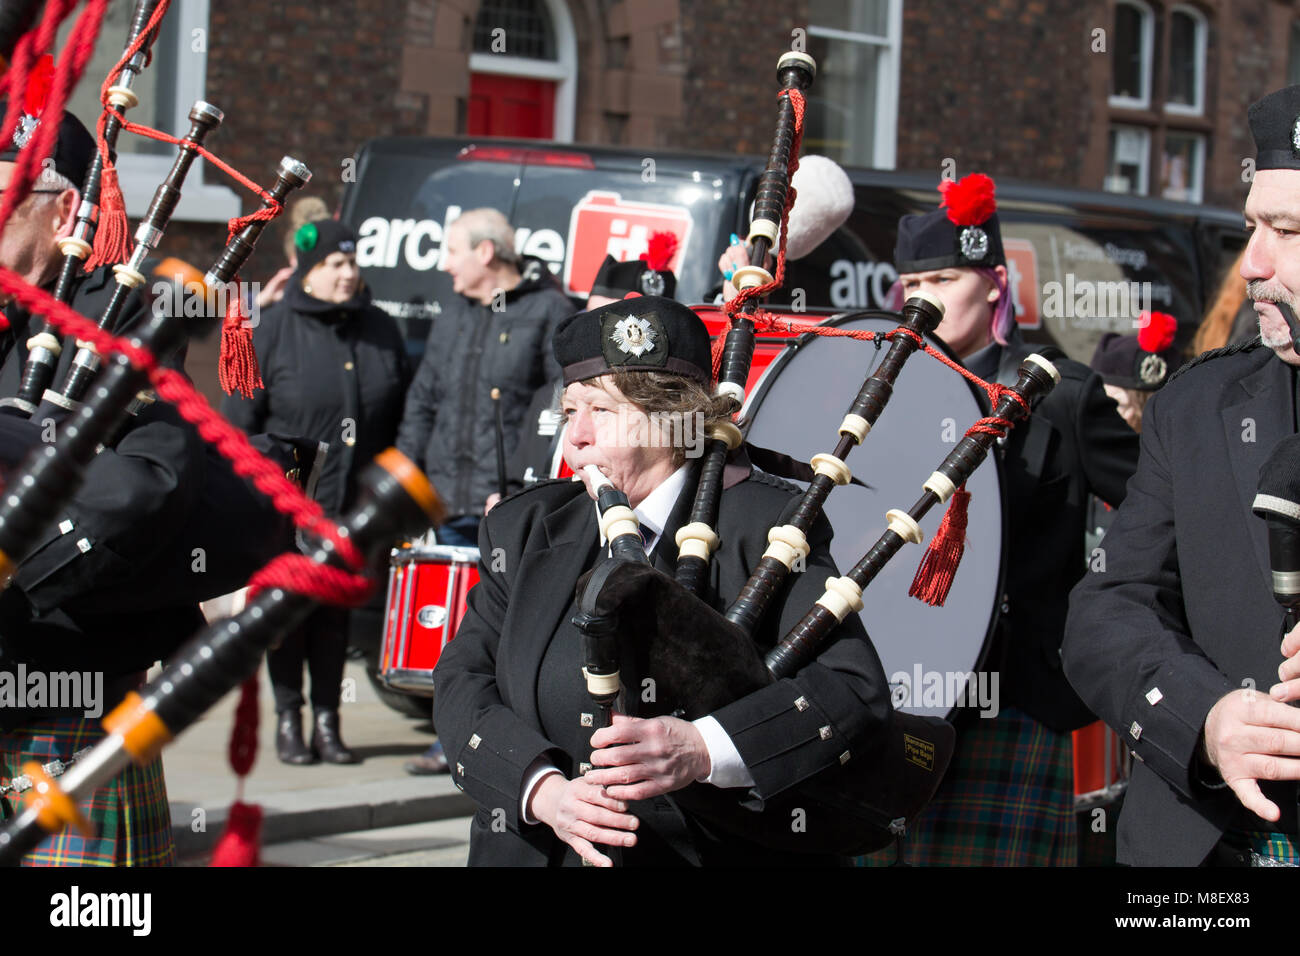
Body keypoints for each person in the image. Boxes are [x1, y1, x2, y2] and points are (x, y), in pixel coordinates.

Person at [431, 295, 893, 866]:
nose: (573, 437)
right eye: (569, 411)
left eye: (598, 410)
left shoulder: (767, 526)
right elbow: (462, 677)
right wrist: (543, 791)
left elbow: (851, 690)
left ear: (672, 418)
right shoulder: (525, 528)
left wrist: (702, 750)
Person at [841, 174, 1138, 865]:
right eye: (911, 280)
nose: (924, 297)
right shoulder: (875, 392)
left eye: (944, 277)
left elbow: (1164, 504)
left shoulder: (1063, 396)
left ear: (995, 283)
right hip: (893, 695)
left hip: (1015, 701)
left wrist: (1107, 610)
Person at [1063, 84, 1300, 867]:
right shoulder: (1196, 406)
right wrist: (1205, 719)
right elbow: (1107, 610)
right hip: (1202, 853)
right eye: (1253, 227)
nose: (1254, 264)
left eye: (1287, 230)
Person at [0, 103, 205, 865]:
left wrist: (18, 560)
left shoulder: (118, 317)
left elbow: (147, 487)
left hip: (62, 711)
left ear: (64, 211)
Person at [224, 219, 409, 765]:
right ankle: (289, 719)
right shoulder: (274, 327)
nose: (348, 273)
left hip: (356, 507)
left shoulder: (379, 327)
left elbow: (402, 414)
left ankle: (329, 723)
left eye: (352, 263)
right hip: (291, 506)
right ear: (308, 271)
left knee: (335, 620)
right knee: (293, 615)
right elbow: (241, 422)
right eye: (334, 264)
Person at [397, 208, 571, 776]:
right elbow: (424, 399)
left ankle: (506, 739)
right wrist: (407, 481)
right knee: (452, 626)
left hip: (511, 504)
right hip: (449, 494)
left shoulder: (548, 311)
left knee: (505, 624)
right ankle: (455, 731)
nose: (444, 265)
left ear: (486, 254)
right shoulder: (452, 314)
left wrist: (526, 488)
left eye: (452, 251)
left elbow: (561, 411)